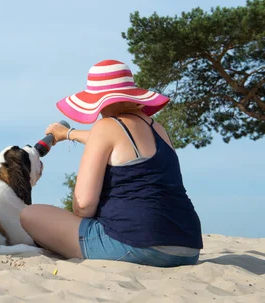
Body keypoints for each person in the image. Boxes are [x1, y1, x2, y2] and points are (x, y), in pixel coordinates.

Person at [20, 59, 203, 267]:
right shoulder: (158, 129)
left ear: (102, 101)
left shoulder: (106, 127)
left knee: (30, 214)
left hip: (139, 245)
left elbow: (84, 207)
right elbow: (116, 143)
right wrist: (68, 134)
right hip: (188, 247)